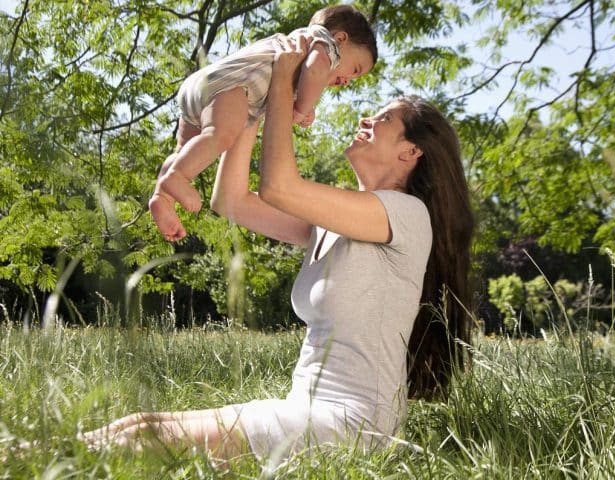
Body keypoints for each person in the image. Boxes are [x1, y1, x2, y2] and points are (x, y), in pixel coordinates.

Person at [83, 35, 474, 463]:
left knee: (141, 443)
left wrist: (286, 77)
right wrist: (258, 100)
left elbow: (278, 187)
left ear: (410, 151)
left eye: (383, 119)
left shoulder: (406, 215)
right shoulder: (336, 221)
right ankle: (26, 455)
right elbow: (230, 201)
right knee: (140, 425)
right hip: (305, 410)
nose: (366, 118)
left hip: (355, 425)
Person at [149, 4, 378, 242]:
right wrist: (302, 108)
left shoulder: (293, 44)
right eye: (355, 69)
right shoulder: (324, 44)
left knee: (183, 149)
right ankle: (178, 178)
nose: (348, 81)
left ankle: (162, 197)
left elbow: (294, 81)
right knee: (221, 135)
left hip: (202, 86)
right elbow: (315, 70)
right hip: (231, 88)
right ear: (340, 39)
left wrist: (296, 102)